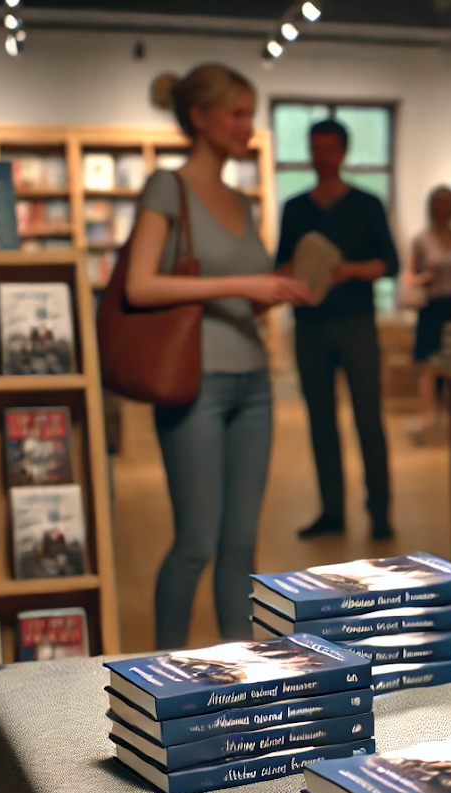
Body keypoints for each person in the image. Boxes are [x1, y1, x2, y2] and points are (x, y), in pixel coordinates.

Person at [124, 63, 314, 649]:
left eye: (250, 115)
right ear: (200, 117)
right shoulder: (168, 187)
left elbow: (244, 302)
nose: (247, 127)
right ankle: (159, 684)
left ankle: (241, 671)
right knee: (195, 542)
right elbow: (140, 286)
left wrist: (280, 287)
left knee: (241, 545)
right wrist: (242, 286)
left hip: (254, 384)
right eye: (236, 114)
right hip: (194, 384)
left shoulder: (244, 201)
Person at [275, 119, 400, 542]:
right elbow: (282, 265)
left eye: (328, 149)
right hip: (309, 326)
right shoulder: (294, 207)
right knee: (320, 421)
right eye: (314, 148)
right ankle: (331, 510)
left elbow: (390, 264)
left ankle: (380, 512)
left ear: (343, 152)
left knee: (369, 417)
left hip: (356, 325)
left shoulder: (367, 204)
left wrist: (348, 271)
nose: (320, 157)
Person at [406, 185, 451, 441]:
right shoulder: (422, 240)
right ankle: (427, 418)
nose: (444, 209)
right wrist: (426, 277)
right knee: (429, 365)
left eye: (448, 204)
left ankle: (450, 417)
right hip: (432, 305)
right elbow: (410, 276)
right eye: (439, 204)